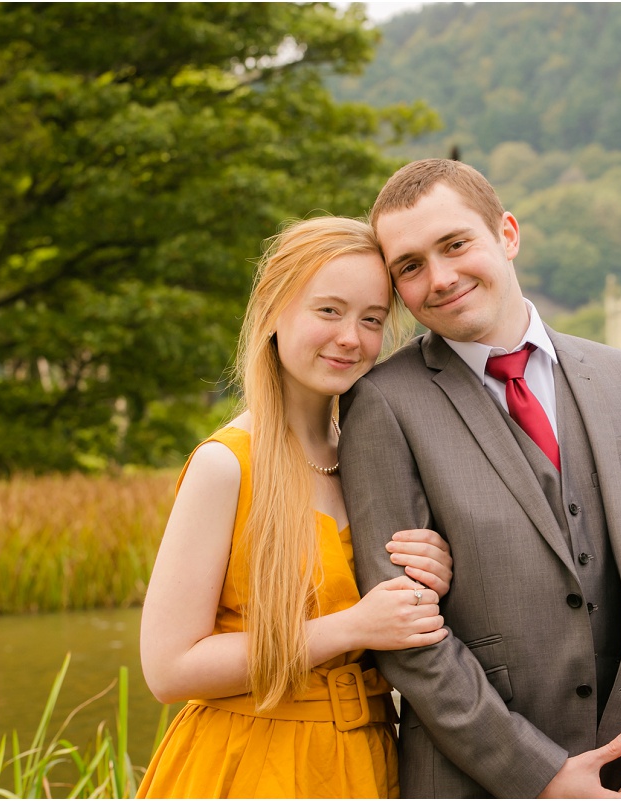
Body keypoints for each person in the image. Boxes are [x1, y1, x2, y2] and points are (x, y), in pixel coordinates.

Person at [338, 159, 621, 798]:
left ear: (507, 234)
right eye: (410, 266)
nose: (441, 277)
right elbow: (406, 634)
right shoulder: (382, 402)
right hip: (474, 781)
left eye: (456, 244)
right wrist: (538, 775)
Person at [138, 216, 454, 798]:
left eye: (371, 320)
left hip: (369, 763)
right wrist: (353, 626)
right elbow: (169, 668)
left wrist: (434, 568)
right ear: (272, 311)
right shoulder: (226, 464)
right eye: (328, 311)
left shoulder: (372, 462)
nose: (350, 338)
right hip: (251, 764)